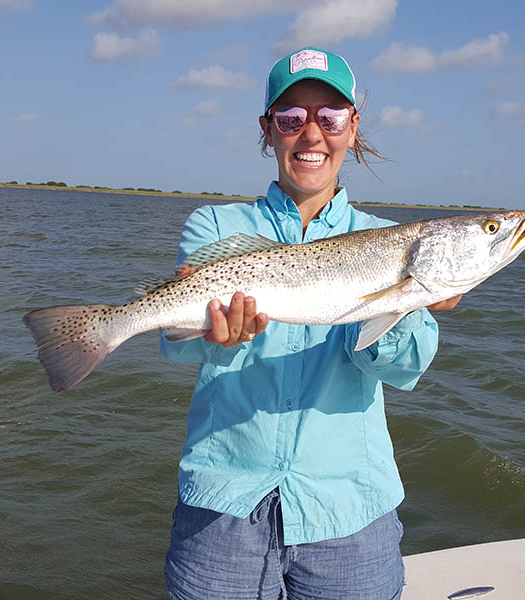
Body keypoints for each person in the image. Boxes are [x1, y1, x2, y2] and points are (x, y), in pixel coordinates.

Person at [160, 47, 462, 600]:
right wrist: (217, 338)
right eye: (292, 119)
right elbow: (177, 346)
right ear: (268, 130)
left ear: (353, 127)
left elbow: (405, 368)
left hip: (348, 512)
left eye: (330, 117)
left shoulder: (390, 240)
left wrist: (401, 304)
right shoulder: (215, 225)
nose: (312, 134)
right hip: (223, 507)